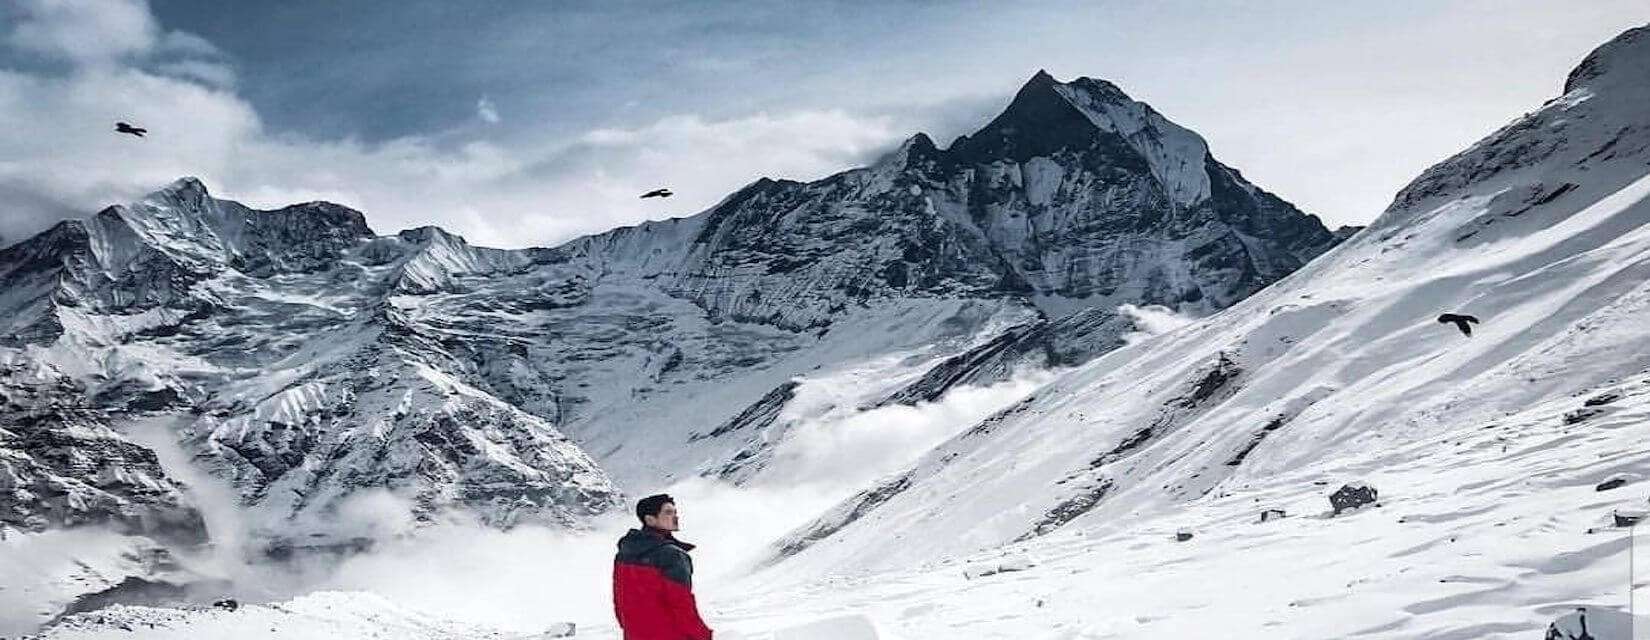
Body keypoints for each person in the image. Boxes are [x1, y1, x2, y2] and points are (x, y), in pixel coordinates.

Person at [613, 494, 713, 640]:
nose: (675, 517)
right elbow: (682, 604)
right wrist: (703, 635)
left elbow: (619, 600)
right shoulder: (672, 555)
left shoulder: (625, 553)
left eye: (675, 512)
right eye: (668, 512)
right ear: (650, 519)